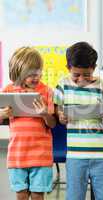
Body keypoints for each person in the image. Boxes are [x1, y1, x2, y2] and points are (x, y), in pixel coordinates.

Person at [53, 42, 103, 200]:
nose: (81, 79)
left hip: (101, 151)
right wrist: (61, 116)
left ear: (93, 67)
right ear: (68, 68)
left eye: (86, 75)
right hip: (75, 153)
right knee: (74, 195)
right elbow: (57, 110)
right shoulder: (63, 85)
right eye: (76, 75)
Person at [0, 47, 56, 200]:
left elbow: (52, 124)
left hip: (41, 154)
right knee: (21, 195)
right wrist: (2, 114)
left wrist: (44, 113)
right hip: (17, 154)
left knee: (38, 196)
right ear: (18, 71)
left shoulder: (46, 91)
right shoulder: (8, 90)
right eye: (31, 74)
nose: (36, 77)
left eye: (38, 72)